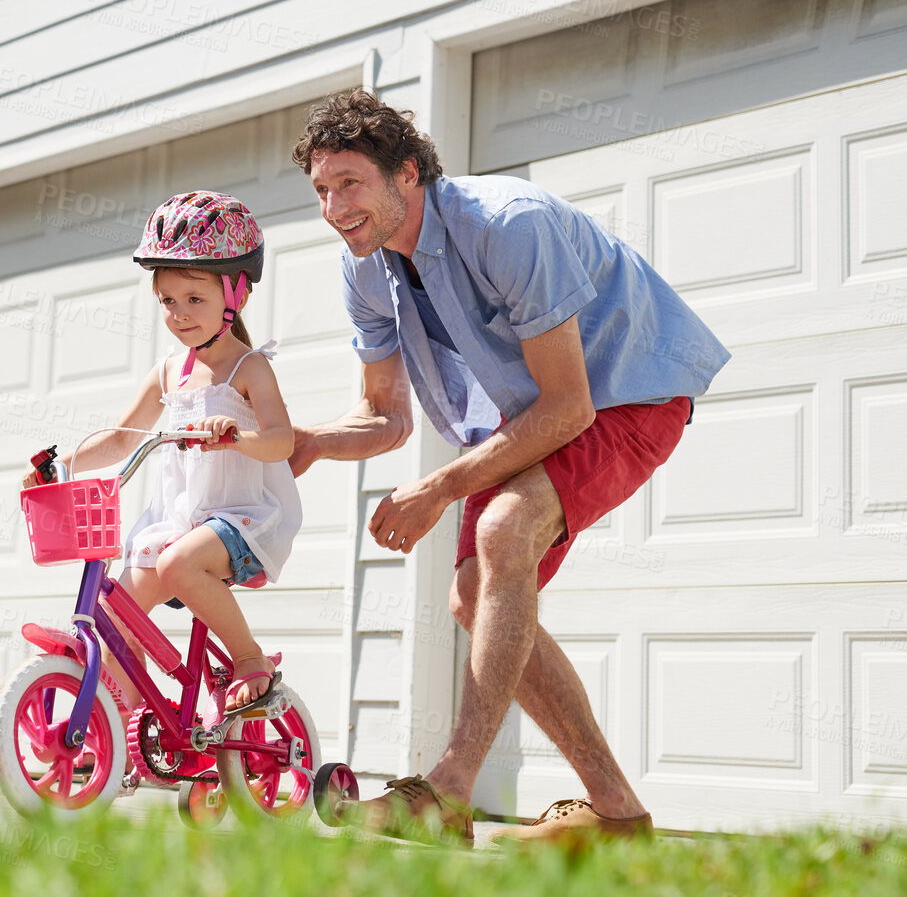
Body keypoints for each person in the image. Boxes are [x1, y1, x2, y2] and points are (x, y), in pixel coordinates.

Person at [286, 89, 728, 845]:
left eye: (349, 183)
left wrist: (436, 486)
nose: (333, 206)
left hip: (628, 388)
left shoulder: (505, 225)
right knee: (470, 595)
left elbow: (567, 407)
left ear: (406, 175)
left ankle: (447, 790)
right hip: (531, 412)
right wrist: (306, 440)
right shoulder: (363, 271)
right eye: (322, 190)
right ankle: (617, 813)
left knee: (505, 528)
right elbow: (385, 416)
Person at [31, 190, 303, 715]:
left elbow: (281, 442)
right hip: (179, 521)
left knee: (179, 563)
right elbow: (121, 437)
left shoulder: (249, 369)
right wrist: (61, 465)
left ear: (236, 294)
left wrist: (235, 437)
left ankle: (249, 659)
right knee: (116, 619)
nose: (179, 314)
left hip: (242, 520)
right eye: (167, 301)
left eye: (194, 299)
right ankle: (119, 734)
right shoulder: (167, 372)